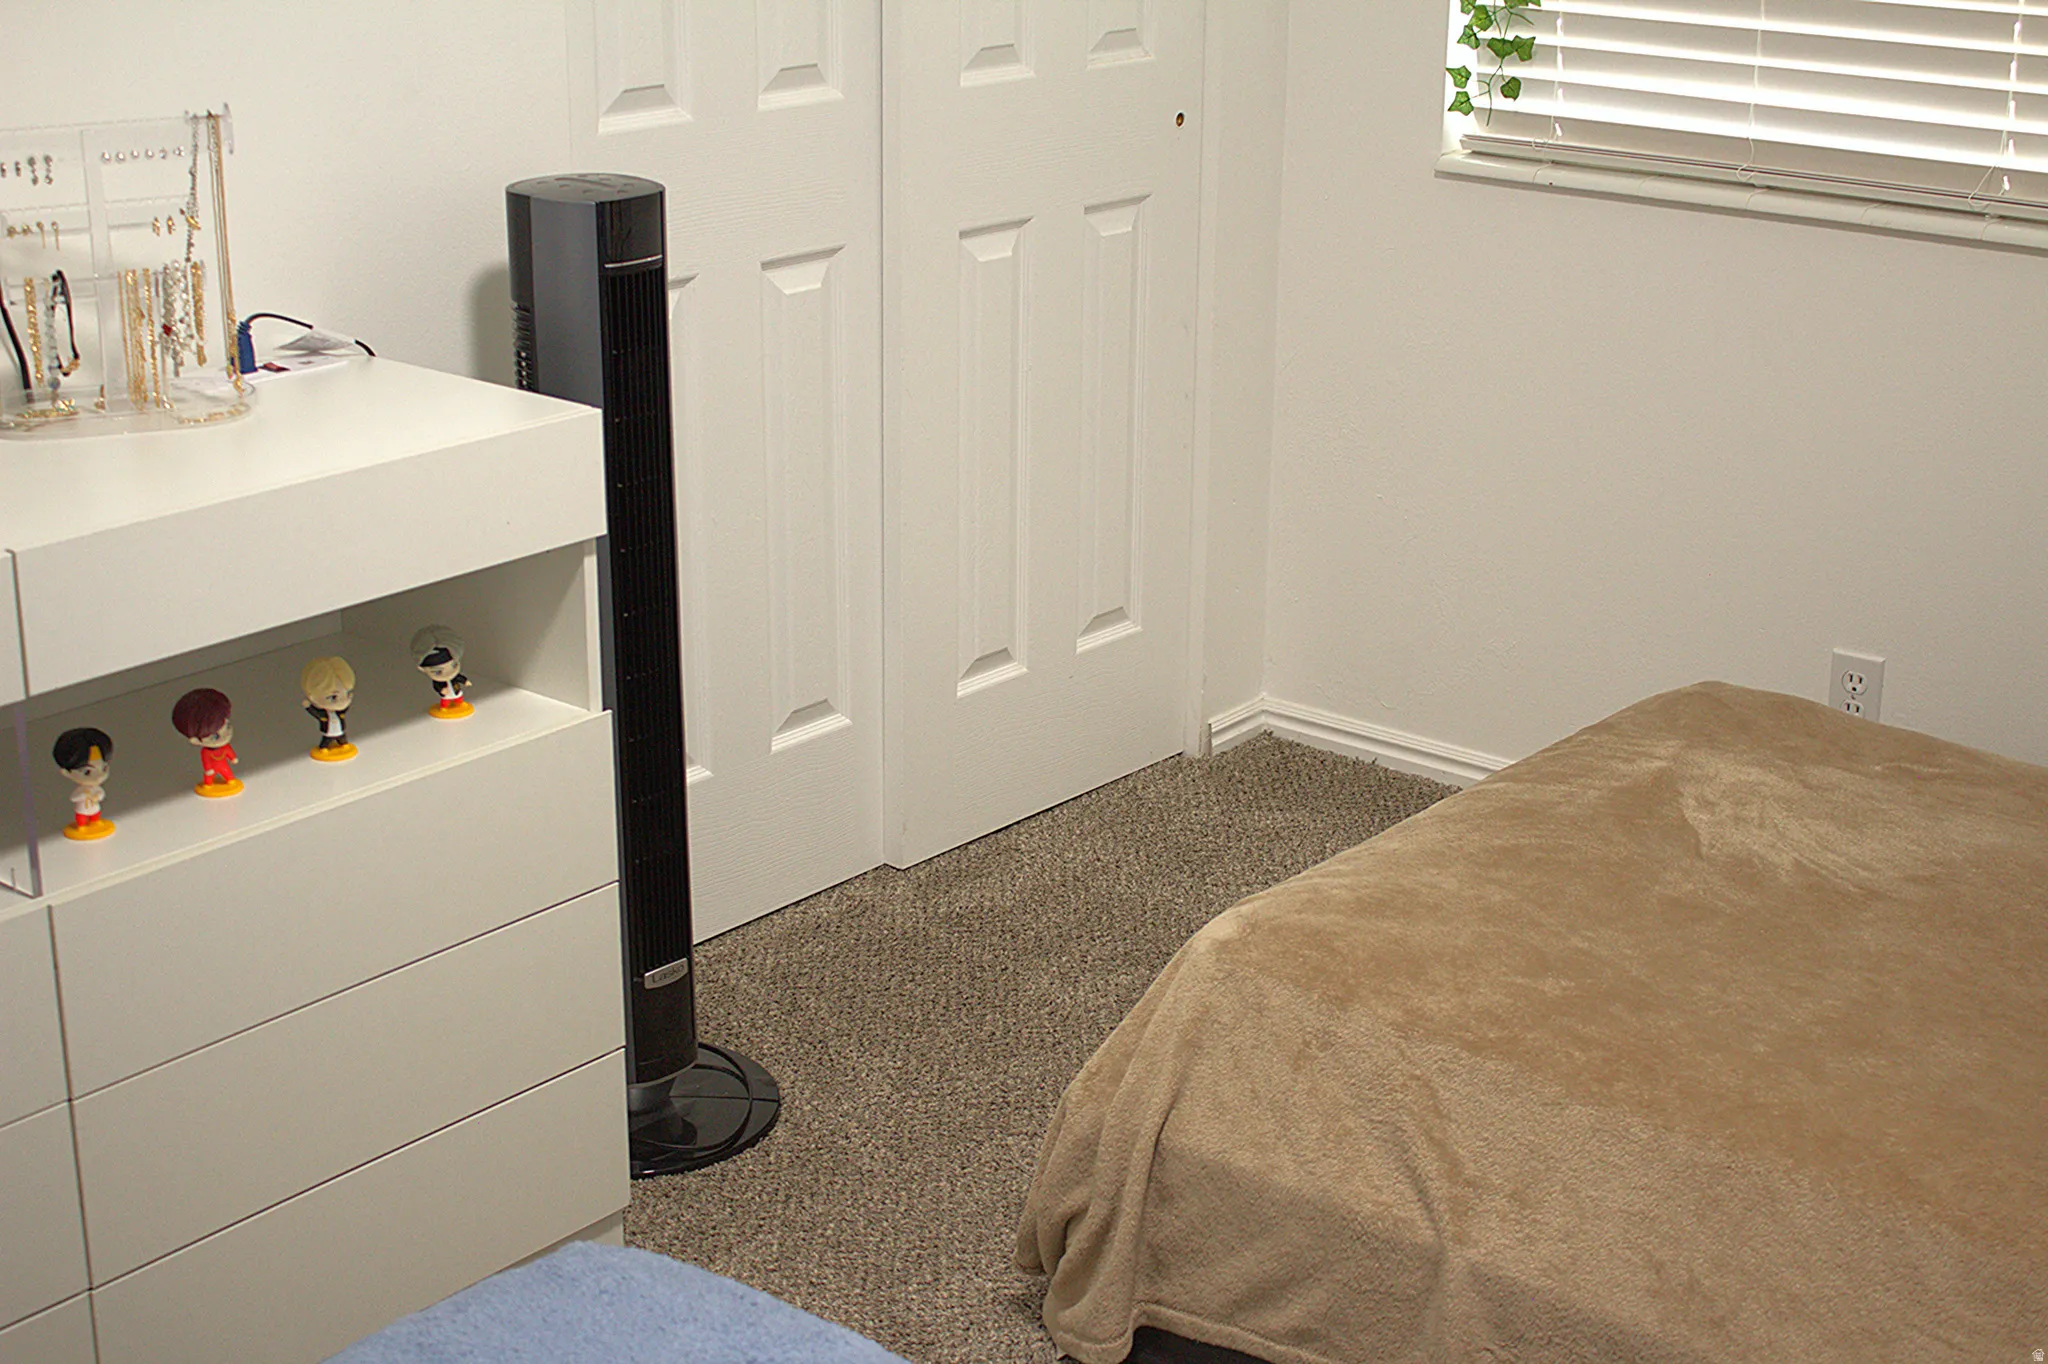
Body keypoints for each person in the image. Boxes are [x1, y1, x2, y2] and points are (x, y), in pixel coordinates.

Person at [171, 687, 242, 796]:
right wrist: (208, 768)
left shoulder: (225, 746)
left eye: (228, 726)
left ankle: (230, 780)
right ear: (195, 741)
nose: (225, 737)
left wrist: (233, 758)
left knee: (227, 772)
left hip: (223, 765)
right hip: (212, 768)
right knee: (209, 777)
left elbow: (229, 752)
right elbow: (206, 760)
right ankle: (208, 784)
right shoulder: (206, 752)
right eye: (214, 737)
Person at [52, 726, 115, 839]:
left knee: (95, 814)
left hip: (94, 807)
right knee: (81, 817)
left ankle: (95, 821)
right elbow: (74, 798)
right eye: (87, 772)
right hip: (82, 809)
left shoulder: (95, 787)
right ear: (66, 773)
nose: (98, 777)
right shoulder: (80, 790)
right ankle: (82, 825)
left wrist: (97, 796)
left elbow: (101, 795)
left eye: (104, 768)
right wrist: (83, 795)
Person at [301, 656, 358, 760]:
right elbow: (315, 713)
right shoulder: (323, 714)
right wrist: (308, 707)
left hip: (340, 731)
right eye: (333, 697)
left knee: (342, 738)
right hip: (328, 732)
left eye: (345, 694)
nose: (342, 702)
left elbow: (345, 709)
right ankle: (324, 747)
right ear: (312, 697)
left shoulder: (340, 711)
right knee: (326, 740)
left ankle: (343, 744)